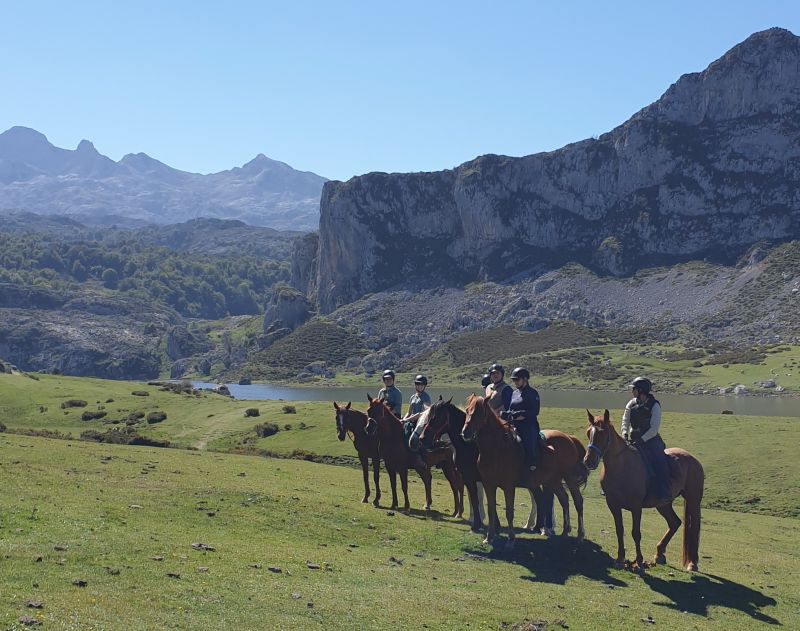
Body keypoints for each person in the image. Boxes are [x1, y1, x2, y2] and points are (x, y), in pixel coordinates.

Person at [502, 367, 554, 535]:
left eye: (517, 380)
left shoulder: (533, 393)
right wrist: (507, 414)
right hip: (514, 425)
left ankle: (532, 463)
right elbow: (510, 408)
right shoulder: (514, 394)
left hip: (528, 426)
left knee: (529, 441)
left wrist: (518, 415)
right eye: (514, 380)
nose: (515, 382)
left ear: (525, 379)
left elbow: (534, 412)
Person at [621, 377, 671, 501]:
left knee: (659, 461)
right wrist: (624, 434)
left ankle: (663, 491)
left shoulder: (655, 405)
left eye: (634, 389)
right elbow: (625, 420)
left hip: (651, 439)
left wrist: (642, 439)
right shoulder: (631, 403)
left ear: (641, 390)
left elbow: (654, 428)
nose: (632, 391)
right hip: (633, 438)